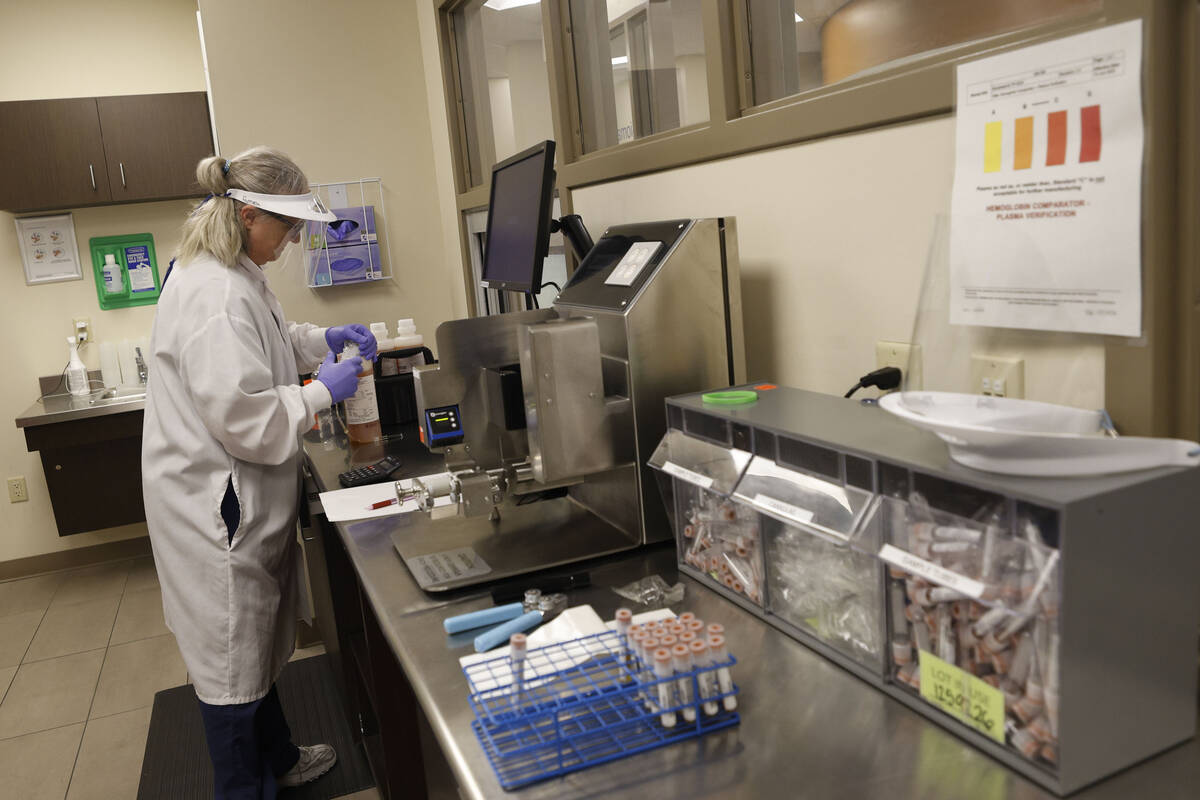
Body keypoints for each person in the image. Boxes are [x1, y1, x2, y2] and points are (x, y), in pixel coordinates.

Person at [142, 146, 376, 798]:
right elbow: (242, 415)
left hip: (233, 498)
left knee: (253, 650)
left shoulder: (232, 271)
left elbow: (263, 338)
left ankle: (279, 758)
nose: (297, 236)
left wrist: (317, 342)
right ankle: (247, 787)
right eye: (289, 224)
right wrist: (321, 392)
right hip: (216, 507)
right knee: (231, 665)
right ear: (249, 215)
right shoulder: (214, 291)